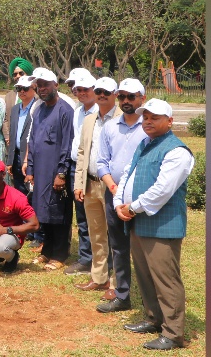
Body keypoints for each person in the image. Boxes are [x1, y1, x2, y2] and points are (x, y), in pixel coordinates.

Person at [113, 99, 195, 351]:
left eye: (154, 117)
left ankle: (173, 333)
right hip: (137, 220)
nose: (147, 121)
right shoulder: (145, 144)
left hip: (162, 224)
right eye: (145, 117)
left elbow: (162, 190)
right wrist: (118, 201)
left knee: (166, 278)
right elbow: (127, 174)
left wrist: (132, 207)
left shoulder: (177, 151)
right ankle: (153, 318)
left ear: (169, 121)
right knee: (145, 275)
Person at [96, 78, 149, 311]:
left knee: (144, 249)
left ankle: (150, 300)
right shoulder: (110, 127)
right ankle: (123, 295)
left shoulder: (148, 127)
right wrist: (114, 189)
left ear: (142, 99)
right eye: (122, 97)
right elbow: (101, 163)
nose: (126, 101)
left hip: (140, 198)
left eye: (131, 97)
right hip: (113, 194)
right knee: (118, 246)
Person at [22, 68, 76, 270]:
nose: (42, 89)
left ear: (56, 85)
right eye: (39, 86)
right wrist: (31, 170)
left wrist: (61, 173)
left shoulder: (65, 110)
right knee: (43, 211)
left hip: (56, 172)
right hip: (41, 172)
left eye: (46, 85)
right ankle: (47, 250)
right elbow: (33, 142)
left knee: (58, 212)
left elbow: (67, 145)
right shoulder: (39, 109)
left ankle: (60, 254)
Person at [72, 77, 121, 292]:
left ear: (115, 94)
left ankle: (118, 283)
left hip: (113, 186)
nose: (102, 95)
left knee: (117, 236)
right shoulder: (90, 119)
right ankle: (99, 277)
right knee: (96, 234)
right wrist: (79, 183)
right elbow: (83, 152)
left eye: (106, 92)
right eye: (99, 91)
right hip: (91, 183)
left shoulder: (123, 118)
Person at [63, 68, 98, 274]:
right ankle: (86, 258)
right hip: (76, 167)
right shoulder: (77, 111)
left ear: (94, 89)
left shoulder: (98, 112)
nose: (82, 92)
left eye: (86, 89)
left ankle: (96, 258)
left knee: (95, 215)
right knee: (82, 216)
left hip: (91, 168)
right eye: (78, 89)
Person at [5, 74, 38, 197]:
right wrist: (10, 161)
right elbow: (13, 135)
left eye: (25, 88)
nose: (22, 91)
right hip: (16, 157)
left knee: (31, 193)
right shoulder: (15, 109)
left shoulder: (38, 107)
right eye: (19, 88)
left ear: (33, 88)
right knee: (19, 193)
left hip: (30, 157)